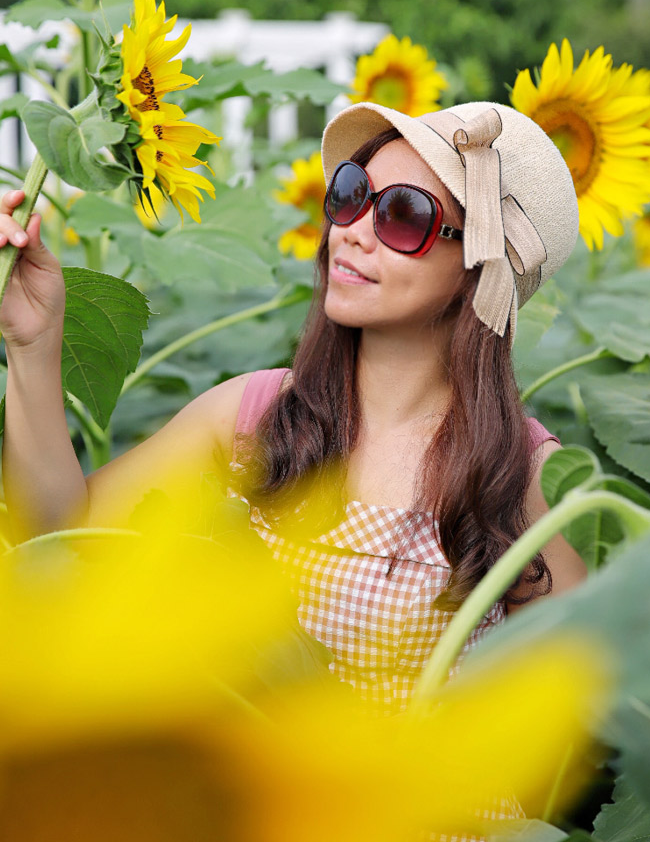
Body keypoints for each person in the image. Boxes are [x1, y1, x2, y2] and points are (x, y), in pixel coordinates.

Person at [0, 100, 589, 714]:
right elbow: (61, 532)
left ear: (480, 268)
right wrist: (34, 343)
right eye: (352, 195)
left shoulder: (520, 471)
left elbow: (574, 702)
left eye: (403, 215)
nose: (353, 231)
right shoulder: (254, 416)